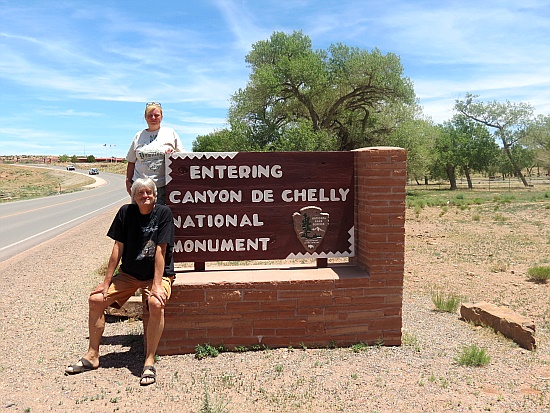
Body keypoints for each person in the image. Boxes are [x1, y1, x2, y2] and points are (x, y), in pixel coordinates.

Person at [65, 178, 175, 386]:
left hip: (156, 275)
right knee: (96, 299)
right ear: (133, 196)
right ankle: (92, 356)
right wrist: (106, 282)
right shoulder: (126, 212)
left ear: (154, 195)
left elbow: (162, 249)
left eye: (149, 192)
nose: (145, 196)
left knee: (155, 303)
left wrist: (157, 284)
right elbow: (118, 248)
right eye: (140, 193)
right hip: (129, 274)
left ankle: (149, 361)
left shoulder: (163, 213)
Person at [125, 102, 184, 204]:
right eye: (150, 115)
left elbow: (183, 158)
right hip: (140, 186)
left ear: (162, 116)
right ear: (145, 117)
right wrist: (128, 182)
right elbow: (131, 161)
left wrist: (173, 154)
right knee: (138, 218)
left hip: (163, 187)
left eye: (156, 115)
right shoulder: (138, 136)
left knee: (160, 217)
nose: (153, 118)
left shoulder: (170, 133)